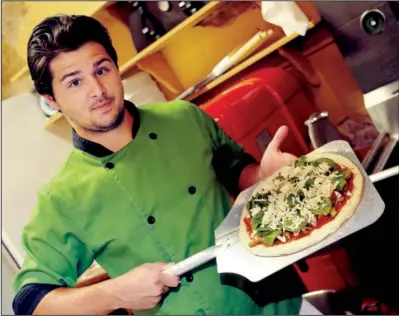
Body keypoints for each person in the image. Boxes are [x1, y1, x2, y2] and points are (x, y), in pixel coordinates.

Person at [12, 14, 305, 315]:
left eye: (101, 69)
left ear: (116, 67)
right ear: (53, 99)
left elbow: (238, 174)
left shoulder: (184, 118)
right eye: (74, 82)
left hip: (279, 303)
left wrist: (265, 174)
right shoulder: (63, 197)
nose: (97, 90)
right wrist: (117, 293)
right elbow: (30, 302)